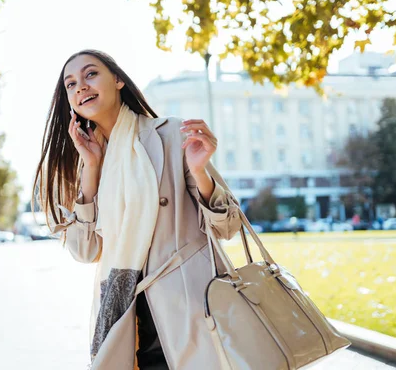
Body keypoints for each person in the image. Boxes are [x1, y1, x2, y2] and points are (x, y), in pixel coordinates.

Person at [33, 50, 242, 370]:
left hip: (188, 311)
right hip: (124, 320)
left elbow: (227, 227)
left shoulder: (169, 134)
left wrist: (200, 172)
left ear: (117, 80)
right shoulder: (86, 158)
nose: (80, 87)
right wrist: (91, 168)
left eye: (90, 75)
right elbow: (85, 251)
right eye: (70, 84)